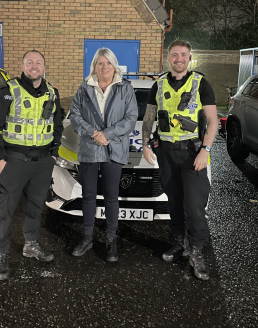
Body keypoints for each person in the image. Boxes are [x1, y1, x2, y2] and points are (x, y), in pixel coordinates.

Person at [142, 40, 218, 280]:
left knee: (194, 206)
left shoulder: (200, 83)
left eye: (183, 55)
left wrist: (206, 149)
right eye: (174, 55)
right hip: (166, 153)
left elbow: (214, 121)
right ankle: (179, 243)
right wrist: (145, 144)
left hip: (192, 154)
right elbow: (148, 118)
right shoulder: (159, 84)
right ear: (168, 57)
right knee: (174, 202)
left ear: (189, 57)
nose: (178, 59)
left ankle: (196, 251)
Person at [0, 50, 63, 280]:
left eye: (38, 62)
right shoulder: (8, 91)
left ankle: (31, 245)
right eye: (30, 62)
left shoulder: (52, 93)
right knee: (4, 210)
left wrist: (53, 155)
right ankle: (1, 253)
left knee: (35, 207)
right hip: (14, 161)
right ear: (23, 66)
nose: (34, 66)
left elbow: (57, 127)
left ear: (44, 67)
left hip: (42, 163)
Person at [69, 48, 138, 262]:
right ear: (95, 67)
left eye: (108, 63)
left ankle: (110, 240)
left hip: (113, 148)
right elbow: (75, 115)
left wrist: (106, 134)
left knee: (111, 197)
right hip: (90, 148)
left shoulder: (125, 88)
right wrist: (93, 133)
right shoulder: (84, 87)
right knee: (88, 196)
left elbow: (131, 117)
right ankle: (87, 238)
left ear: (114, 65)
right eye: (100, 63)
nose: (104, 67)